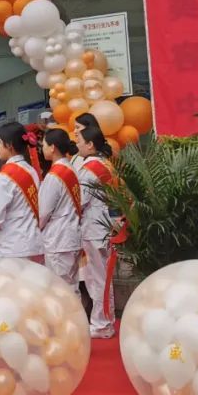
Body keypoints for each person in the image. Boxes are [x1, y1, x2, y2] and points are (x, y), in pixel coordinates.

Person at [0, 121, 44, 262]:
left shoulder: (5, 177)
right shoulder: (31, 171)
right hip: (32, 242)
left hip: (10, 246)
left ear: (9, 145)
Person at [77, 126, 116, 338]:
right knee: (103, 279)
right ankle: (105, 321)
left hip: (93, 227)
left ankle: (102, 324)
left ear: (90, 144)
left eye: (80, 140)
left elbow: (80, 200)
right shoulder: (105, 164)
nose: (77, 144)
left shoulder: (90, 168)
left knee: (98, 279)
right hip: (104, 225)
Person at [37, 129, 83, 289]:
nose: (42, 149)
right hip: (71, 236)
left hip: (58, 240)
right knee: (71, 287)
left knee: (59, 289)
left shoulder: (54, 175)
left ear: (52, 148)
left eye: (44, 145)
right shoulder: (71, 169)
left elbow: (43, 213)